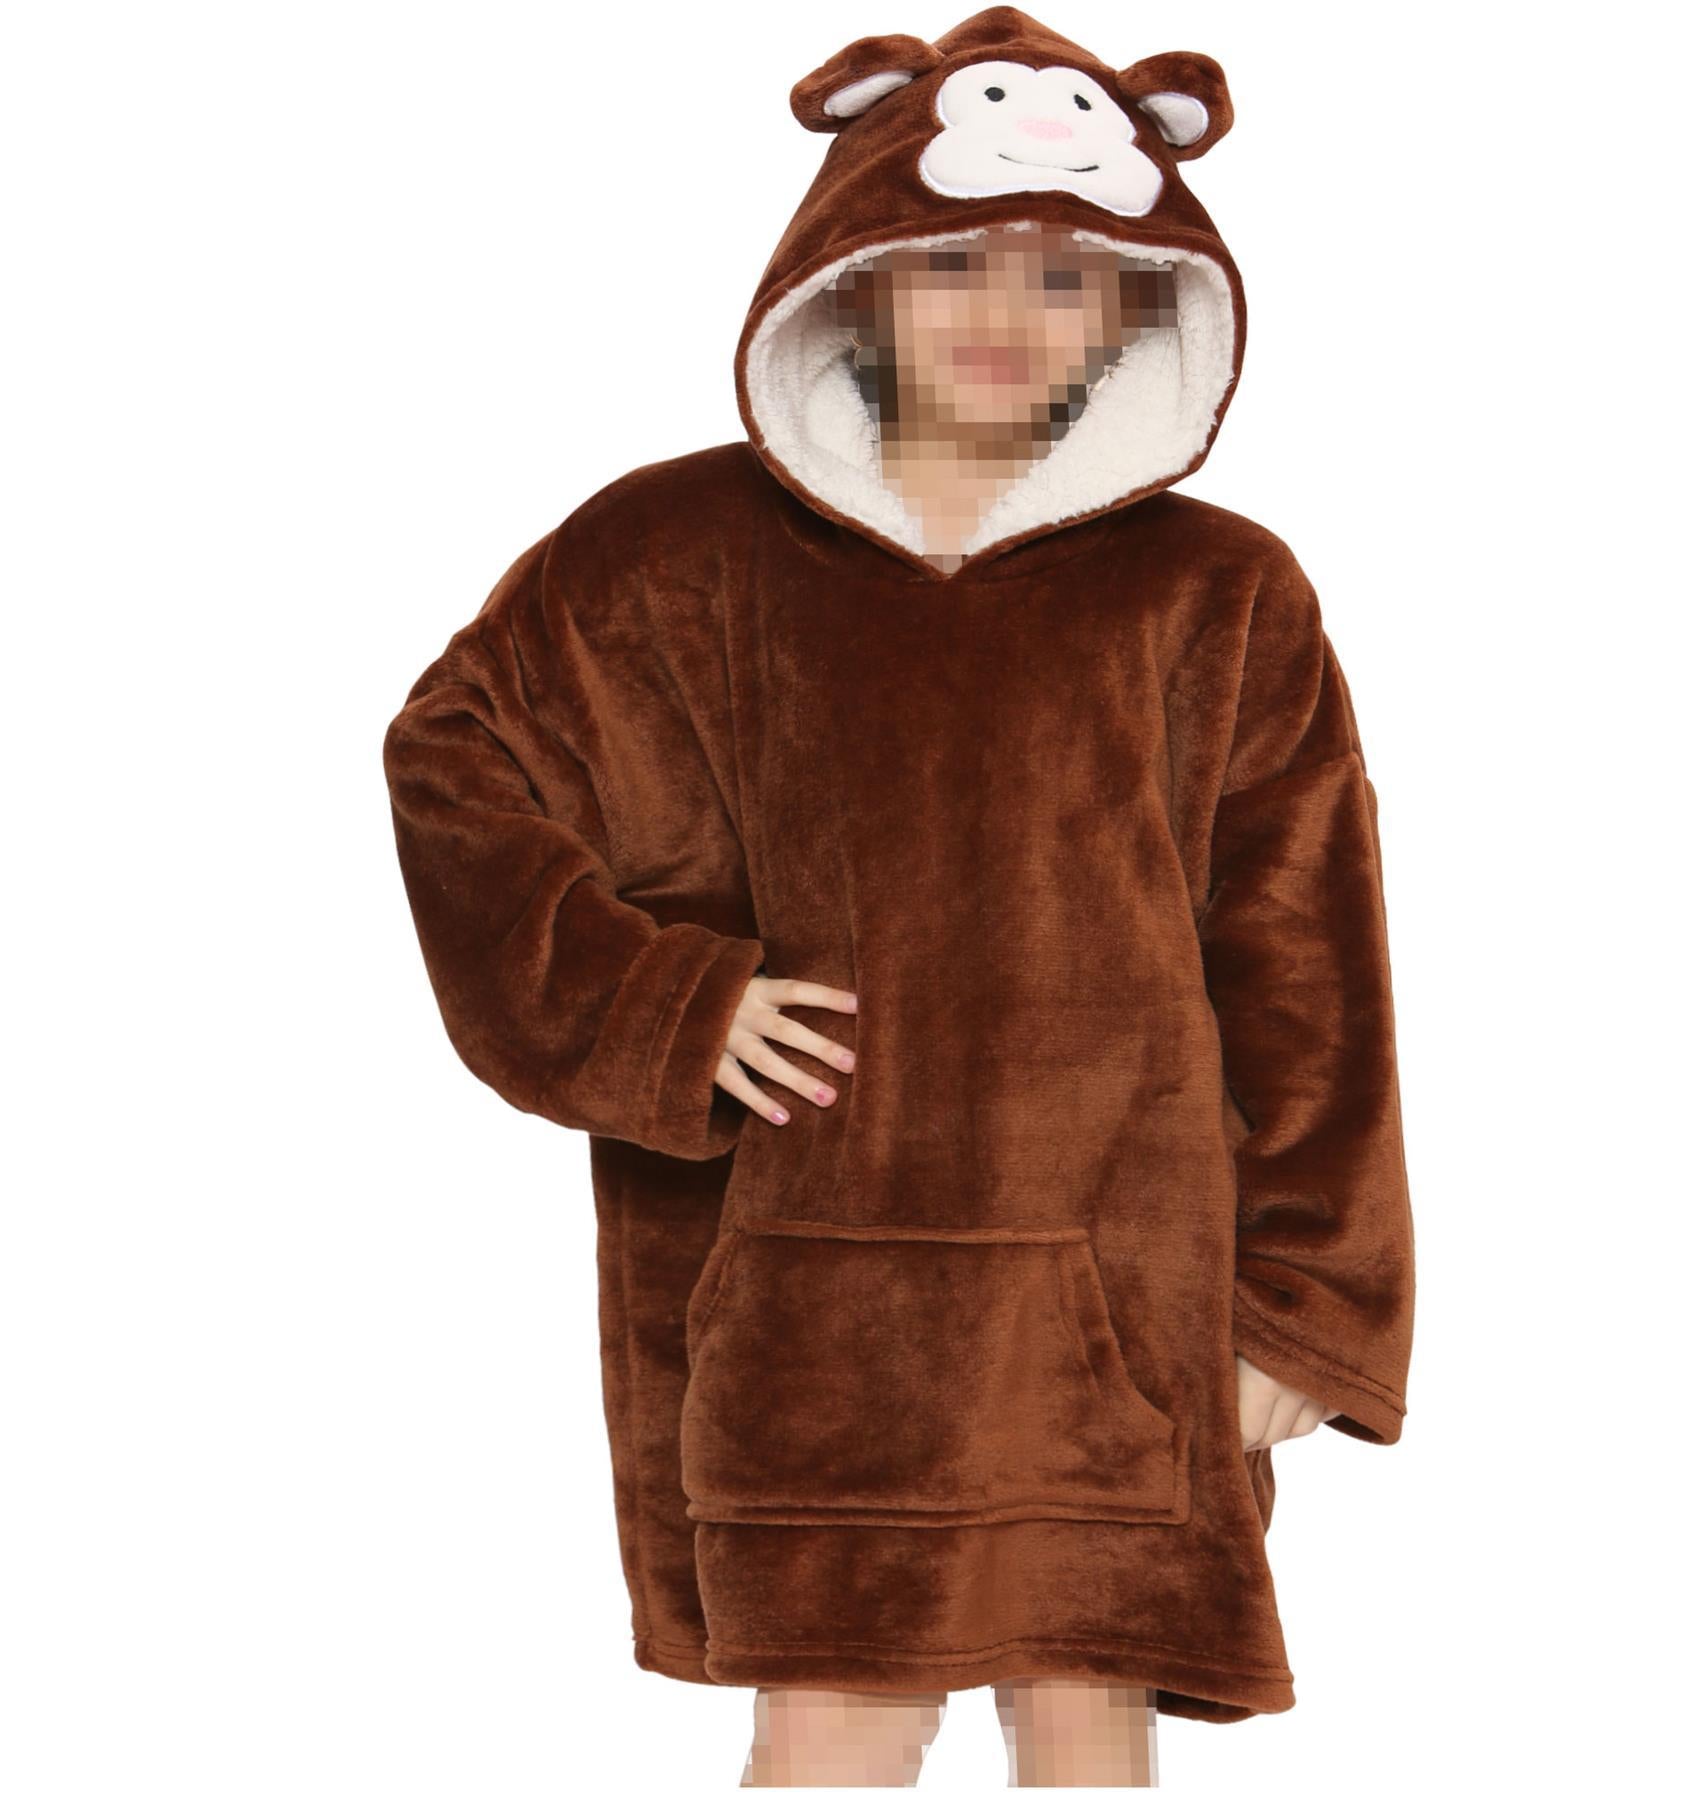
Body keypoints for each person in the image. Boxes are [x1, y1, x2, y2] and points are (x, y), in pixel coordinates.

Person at [383, 9, 1415, 1788]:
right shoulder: (670, 554)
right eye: (952, 267)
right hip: (798, 1292)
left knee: (1088, 1708)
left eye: (1066, 278)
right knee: (829, 1719)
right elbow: (457, 763)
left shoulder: (1219, 595)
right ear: (855, 276)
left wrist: (1306, 1303)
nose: (1007, 315)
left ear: (1139, 306)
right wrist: (661, 1007)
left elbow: (1311, 964)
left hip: (1121, 1300)